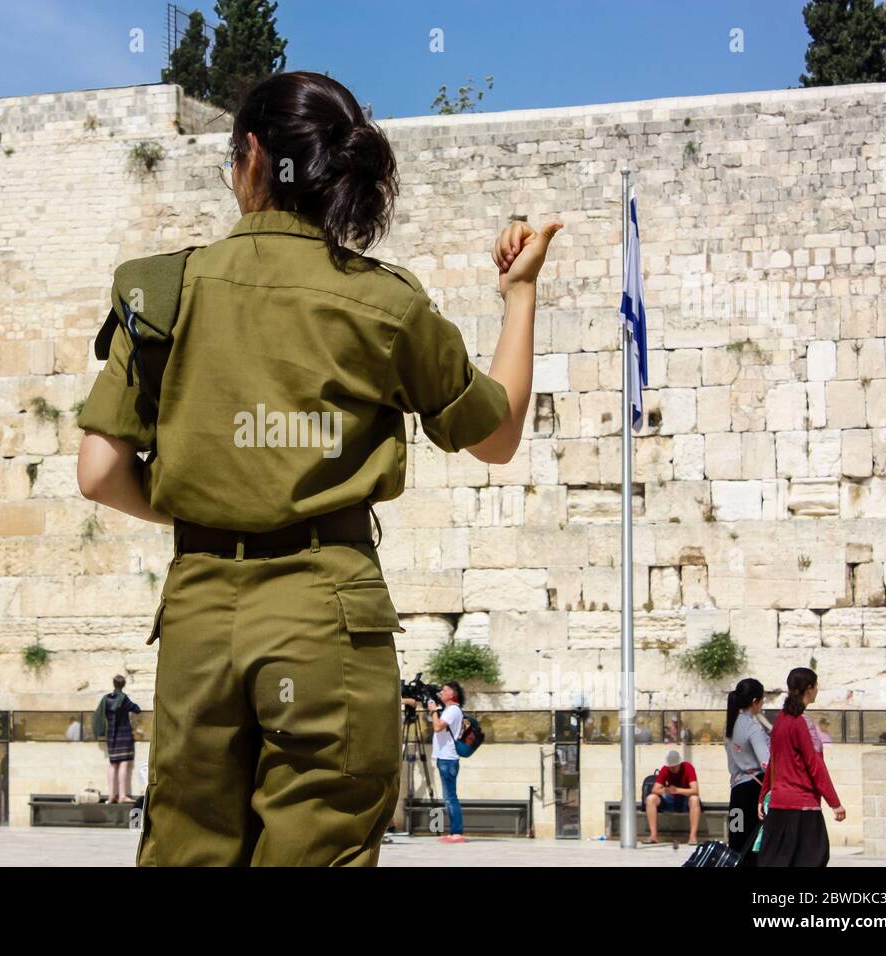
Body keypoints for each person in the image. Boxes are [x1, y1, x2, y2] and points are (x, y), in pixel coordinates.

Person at [76, 70, 560, 867]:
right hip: (327, 616)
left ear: (254, 157)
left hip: (199, 618)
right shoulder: (383, 304)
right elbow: (498, 433)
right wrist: (518, 295)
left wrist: (211, 507)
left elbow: (99, 471)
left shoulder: (160, 291)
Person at [757, 668, 846, 867]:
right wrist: (835, 802)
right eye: (816, 685)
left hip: (779, 804)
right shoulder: (802, 723)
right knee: (814, 858)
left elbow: (774, 761)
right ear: (809, 689)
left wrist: (763, 795)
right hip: (802, 806)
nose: (817, 689)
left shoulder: (780, 719)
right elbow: (815, 764)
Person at [723, 678, 769, 863]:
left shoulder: (729, 725)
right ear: (755, 701)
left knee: (736, 838)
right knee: (753, 842)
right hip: (753, 791)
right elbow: (766, 763)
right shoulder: (753, 727)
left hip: (736, 791)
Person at [428, 683, 466, 843]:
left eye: (445, 690)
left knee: (450, 796)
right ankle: (454, 832)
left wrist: (434, 710)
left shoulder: (452, 710)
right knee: (448, 796)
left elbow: (437, 727)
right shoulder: (450, 710)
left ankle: (457, 833)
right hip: (445, 757)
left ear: (453, 694)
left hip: (448, 759)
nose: (441, 693)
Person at [96, 675, 142, 803]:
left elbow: (99, 714)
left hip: (111, 735)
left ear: (113, 684)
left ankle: (111, 795)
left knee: (112, 764)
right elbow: (137, 709)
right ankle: (122, 796)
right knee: (123, 763)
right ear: (123, 685)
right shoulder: (124, 699)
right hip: (125, 735)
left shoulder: (106, 699)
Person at [646, 750, 701, 844]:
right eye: (670, 767)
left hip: (684, 800)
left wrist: (677, 790)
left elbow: (695, 790)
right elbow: (655, 789)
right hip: (670, 800)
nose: (672, 769)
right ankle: (653, 835)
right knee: (651, 798)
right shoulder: (665, 769)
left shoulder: (688, 767)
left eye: (674, 767)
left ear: (679, 764)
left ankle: (692, 836)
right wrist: (667, 790)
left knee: (694, 799)